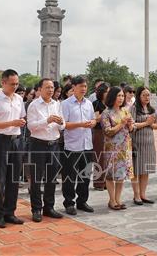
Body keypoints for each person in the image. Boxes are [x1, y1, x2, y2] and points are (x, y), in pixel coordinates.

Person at [0, 69, 27, 228]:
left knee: (14, 178)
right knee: (0, 179)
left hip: (16, 141)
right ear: (3, 82)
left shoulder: (18, 99)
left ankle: (10, 212)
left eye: (17, 84)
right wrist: (11, 123)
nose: (15, 87)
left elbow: (21, 117)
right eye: (12, 84)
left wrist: (20, 122)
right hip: (0, 141)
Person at [27, 78, 66, 222]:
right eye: (47, 87)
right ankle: (36, 208)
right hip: (38, 144)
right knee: (36, 178)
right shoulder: (34, 105)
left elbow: (63, 125)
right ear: (40, 89)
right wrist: (47, 121)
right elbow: (31, 126)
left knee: (52, 178)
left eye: (52, 87)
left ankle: (49, 207)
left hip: (54, 144)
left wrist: (61, 123)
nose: (50, 90)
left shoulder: (57, 104)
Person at [60, 76, 96, 215]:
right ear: (73, 87)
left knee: (85, 175)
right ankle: (69, 203)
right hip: (72, 146)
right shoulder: (66, 104)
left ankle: (82, 201)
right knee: (70, 176)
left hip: (87, 144)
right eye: (81, 86)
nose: (83, 89)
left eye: (85, 86)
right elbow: (64, 125)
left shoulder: (89, 104)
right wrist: (80, 124)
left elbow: (93, 119)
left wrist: (92, 122)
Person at [100, 86, 134, 210]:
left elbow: (131, 129)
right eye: (118, 96)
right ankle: (112, 200)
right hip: (112, 148)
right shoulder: (106, 113)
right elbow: (108, 131)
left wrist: (130, 125)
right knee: (111, 174)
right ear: (112, 97)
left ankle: (118, 199)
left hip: (125, 147)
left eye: (122, 96)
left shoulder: (125, 110)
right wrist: (122, 123)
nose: (121, 98)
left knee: (121, 175)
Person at [130, 85, 157, 205]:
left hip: (149, 143)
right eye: (144, 95)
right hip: (137, 142)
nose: (147, 97)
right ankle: (136, 195)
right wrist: (146, 123)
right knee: (136, 170)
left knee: (145, 170)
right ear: (139, 96)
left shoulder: (152, 109)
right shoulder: (134, 108)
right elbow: (131, 125)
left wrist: (150, 124)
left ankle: (143, 194)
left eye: (148, 95)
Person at [91, 83, 110, 190]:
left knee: (108, 158)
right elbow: (96, 118)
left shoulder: (110, 103)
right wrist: (106, 114)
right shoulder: (96, 104)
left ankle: (107, 182)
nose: (108, 93)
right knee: (99, 158)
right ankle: (98, 182)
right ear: (102, 92)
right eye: (107, 91)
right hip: (98, 132)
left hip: (109, 132)